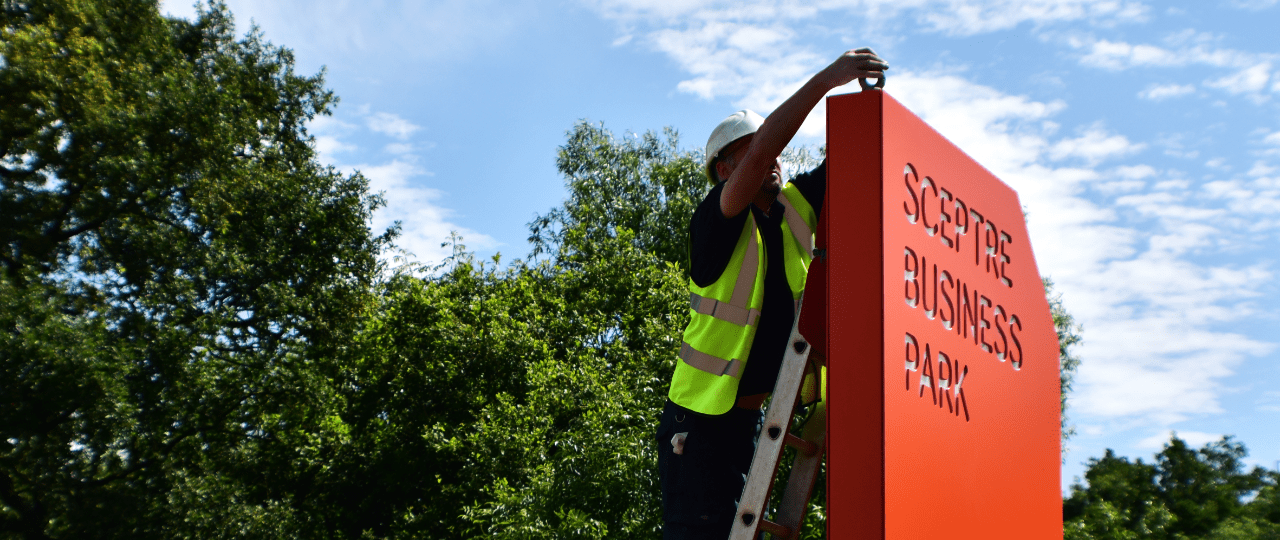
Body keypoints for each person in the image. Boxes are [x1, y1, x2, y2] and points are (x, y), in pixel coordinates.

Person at [655, 48, 889, 539]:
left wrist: (868, 104)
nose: (772, 157)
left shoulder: (793, 210)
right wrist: (829, 78)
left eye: (772, 149)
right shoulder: (715, 223)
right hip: (699, 422)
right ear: (725, 170)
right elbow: (763, 152)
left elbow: (849, 153)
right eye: (754, 150)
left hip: (751, 421)